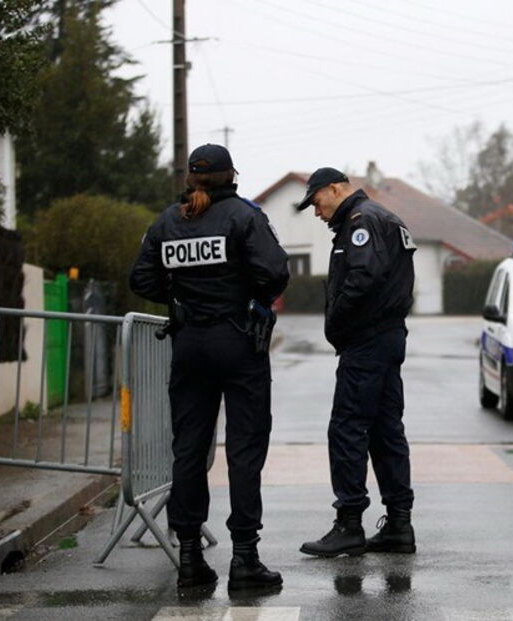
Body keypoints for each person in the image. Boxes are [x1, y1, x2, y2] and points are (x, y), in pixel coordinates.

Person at [129, 144, 289, 590]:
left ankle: (189, 560)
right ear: (229, 175)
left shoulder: (167, 221)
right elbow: (275, 272)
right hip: (238, 341)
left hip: (190, 345)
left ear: (192, 178)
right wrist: (242, 292)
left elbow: (141, 279)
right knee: (244, 450)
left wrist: (180, 299)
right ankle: (244, 559)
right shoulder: (244, 216)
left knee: (189, 450)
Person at [295, 167, 417, 558]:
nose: (316, 212)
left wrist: (337, 323)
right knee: (385, 431)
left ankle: (349, 523)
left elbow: (362, 279)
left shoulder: (361, 222)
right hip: (387, 337)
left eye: (316, 202)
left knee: (347, 429)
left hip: (366, 340)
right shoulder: (385, 217)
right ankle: (399, 524)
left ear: (334, 189)